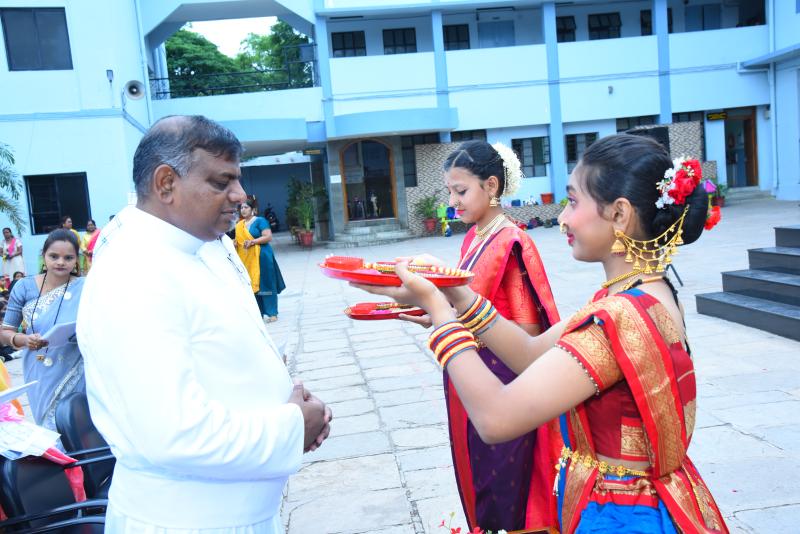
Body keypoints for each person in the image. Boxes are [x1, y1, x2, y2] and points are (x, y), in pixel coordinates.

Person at [354, 134, 727, 533]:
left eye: (574, 201)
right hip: (651, 503)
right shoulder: (648, 292)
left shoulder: (617, 316)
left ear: (619, 214)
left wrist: (439, 312)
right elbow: (531, 354)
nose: (563, 218)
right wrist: (455, 293)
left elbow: (496, 418)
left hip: (621, 516)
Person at [77, 115, 331, 533]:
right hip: (187, 520)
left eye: (237, 179)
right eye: (221, 182)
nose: (240, 195)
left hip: (239, 512)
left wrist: (287, 406)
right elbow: (172, 433)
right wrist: (290, 428)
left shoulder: (204, 246)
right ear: (166, 183)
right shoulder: (135, 271)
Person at [400, 141, 561, 532]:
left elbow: (527, 332)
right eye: (449, 191)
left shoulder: (511, 242)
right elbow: (468, 304)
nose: (452, 202)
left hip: (503, 381)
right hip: (476, 375)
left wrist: (452, 321)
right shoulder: (475, 237)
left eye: (460, 191)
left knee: (512, 492)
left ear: (491, 186)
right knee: (486, 482)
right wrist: (438, 316)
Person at [0, 229, 85, 432]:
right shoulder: (24, 287)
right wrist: (24, 340)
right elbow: (5, 332)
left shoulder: (86, 287)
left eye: (68, 257)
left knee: (79, 425)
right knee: (49, 427)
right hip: (39, 369)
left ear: (77, 260)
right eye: (54, 256)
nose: (61, 262)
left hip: (79, 367)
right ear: (43, 256)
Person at [235, 197, 285, 322]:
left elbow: (268, 237)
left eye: (246, 207)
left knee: (266, 283)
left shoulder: (260, 221)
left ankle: (272, 312)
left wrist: (253, 242)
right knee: (252, 284)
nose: (243, 210)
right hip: (248, 259)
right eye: (241, 208)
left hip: (262, 257)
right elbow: (240, 241)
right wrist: (235, 243)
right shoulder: (239, 225)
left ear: (253, 209)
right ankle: (259, 313)